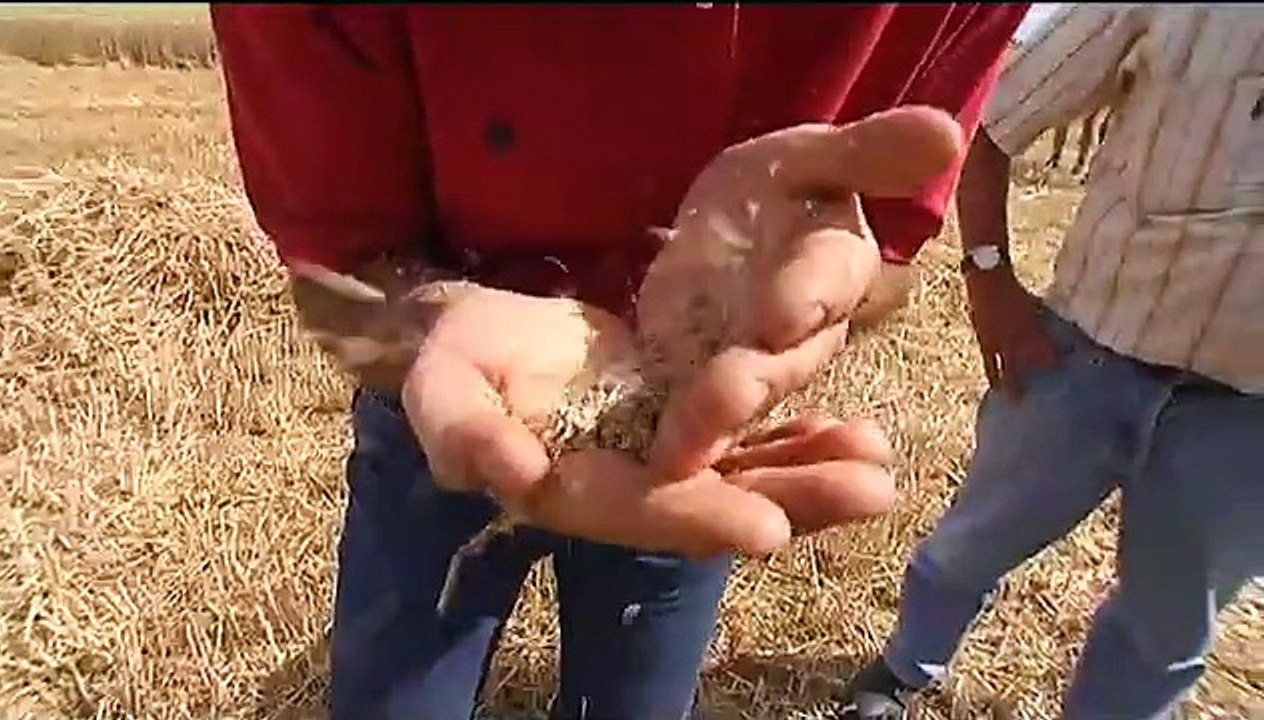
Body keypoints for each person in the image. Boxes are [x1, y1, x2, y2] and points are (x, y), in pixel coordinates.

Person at [210, 5, 1028, 719]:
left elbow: (888, 254)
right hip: (440, 395)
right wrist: (427, 318)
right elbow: (337, 271)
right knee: (395, 691)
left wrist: (810, 290)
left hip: (690, 432)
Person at [840, 5, 1264, 719]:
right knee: (974, 543)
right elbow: (994, 125)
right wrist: (988, 277)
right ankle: (903, 668)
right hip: (1087, 359)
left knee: (1168, 625)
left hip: (1246, 417)